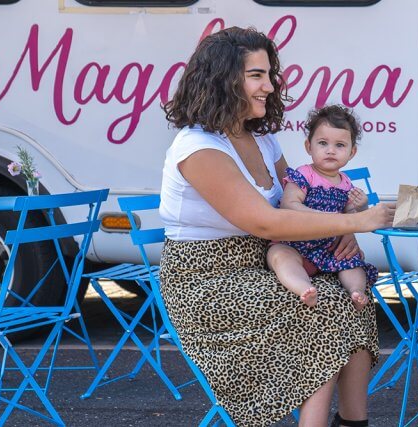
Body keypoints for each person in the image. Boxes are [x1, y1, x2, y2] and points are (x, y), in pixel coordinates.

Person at [158, 27, 394, 427]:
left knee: (355, 298)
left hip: (264, 263)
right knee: (324, 309)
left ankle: (353, 421)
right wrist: (357, 220)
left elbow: (302, 203)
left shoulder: (263, 141)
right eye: (256, 75)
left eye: (269, 74)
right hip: (205, 280)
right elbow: (264, 220)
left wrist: (345, 229)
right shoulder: (198, 148)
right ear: (223, 79)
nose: (269, 85)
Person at [268, 105, 377, 310]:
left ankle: (356, 291)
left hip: (327, 249)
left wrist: (361, 206)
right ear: (309, 146)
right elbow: (288, 205)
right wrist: (323, 217)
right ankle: (303, 288)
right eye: (323, 143)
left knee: (352, 261)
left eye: (340, 145)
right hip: (295, 244)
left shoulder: (346, 183)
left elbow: (351, 216)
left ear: (352, 152)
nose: (330, 150)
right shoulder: (304, 175)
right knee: (280, 255)